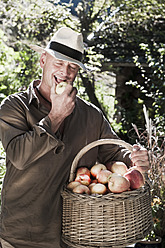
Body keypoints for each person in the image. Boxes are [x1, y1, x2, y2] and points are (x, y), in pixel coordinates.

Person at [0, 27, 149, 248]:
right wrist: (55, 117)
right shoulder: (15, 107)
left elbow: (115, 154)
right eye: (58, 63)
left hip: (77, 235)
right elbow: (19, 157)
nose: (65, 72)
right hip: (23, 235)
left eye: (72, 66)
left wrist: (136, 158)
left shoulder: (91, 115)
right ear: (43, 61)